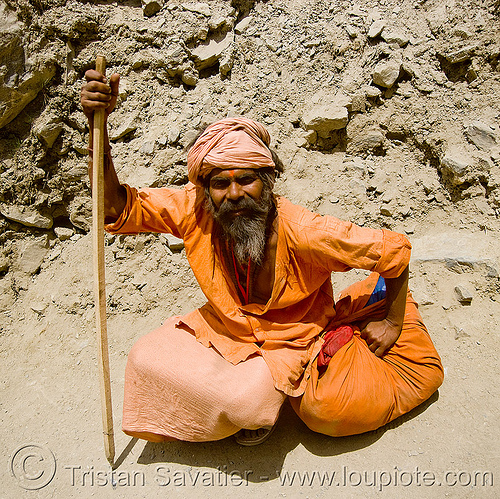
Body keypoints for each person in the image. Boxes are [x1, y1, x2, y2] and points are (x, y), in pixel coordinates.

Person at [81, 70, 444, 446]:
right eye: (221, 183)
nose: (234, 194)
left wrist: (393, 323)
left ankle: (255, 407)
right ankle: (243, 400)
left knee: (250, 399)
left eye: (247, 180)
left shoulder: (307, 232)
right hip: (227, 329)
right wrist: (99, 132)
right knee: (143, 358)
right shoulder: (194, 210)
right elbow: (112, 206)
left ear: (268, 181)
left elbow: (396, 251)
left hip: (291, 340)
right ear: (205, 189)